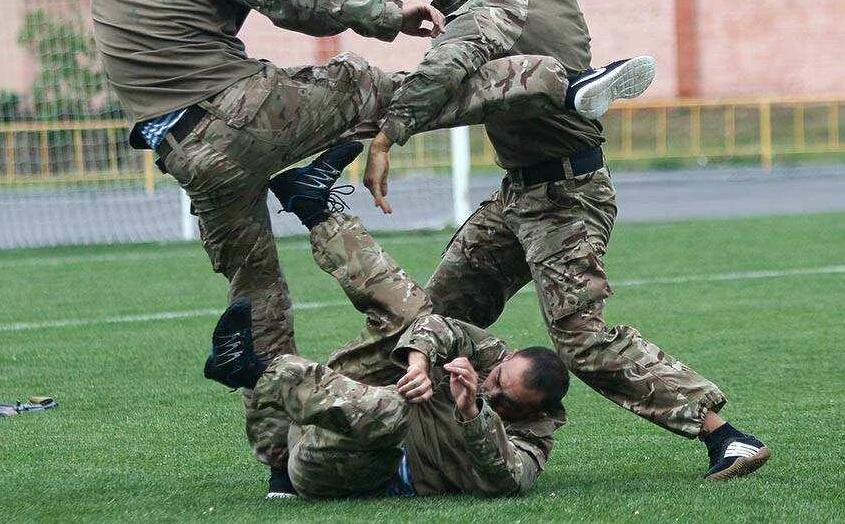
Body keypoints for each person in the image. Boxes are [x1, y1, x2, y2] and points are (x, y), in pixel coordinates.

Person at [92, 0, 655, 495]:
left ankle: (280, 464)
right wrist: (391, 16)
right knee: (369, 85)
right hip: (238, 114)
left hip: (186, 155)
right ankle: (558, 82)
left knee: (254, 293)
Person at [363, 0, 770, 481]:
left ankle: (724, 436)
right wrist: (452, 0)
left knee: (580, 341)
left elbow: (452, 60)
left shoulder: (505, 2)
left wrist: (388, 133)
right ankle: (390, 442)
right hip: (520, 196)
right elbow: (491, 30)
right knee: (436, 319)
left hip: (564, 199)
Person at [203, 145, 570, 498]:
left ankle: (251, 373)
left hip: (339, 464)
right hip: (333, 404)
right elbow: (440, 327)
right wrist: (420, 360)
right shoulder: (494, 357)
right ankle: (313, 209)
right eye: (496, 381)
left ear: (535, 411)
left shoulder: (534, 435)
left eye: (507, 402)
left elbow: (510, 480)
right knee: (413, 313)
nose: (491, 391)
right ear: (509, 359)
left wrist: (472, 411)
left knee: (397, 412)